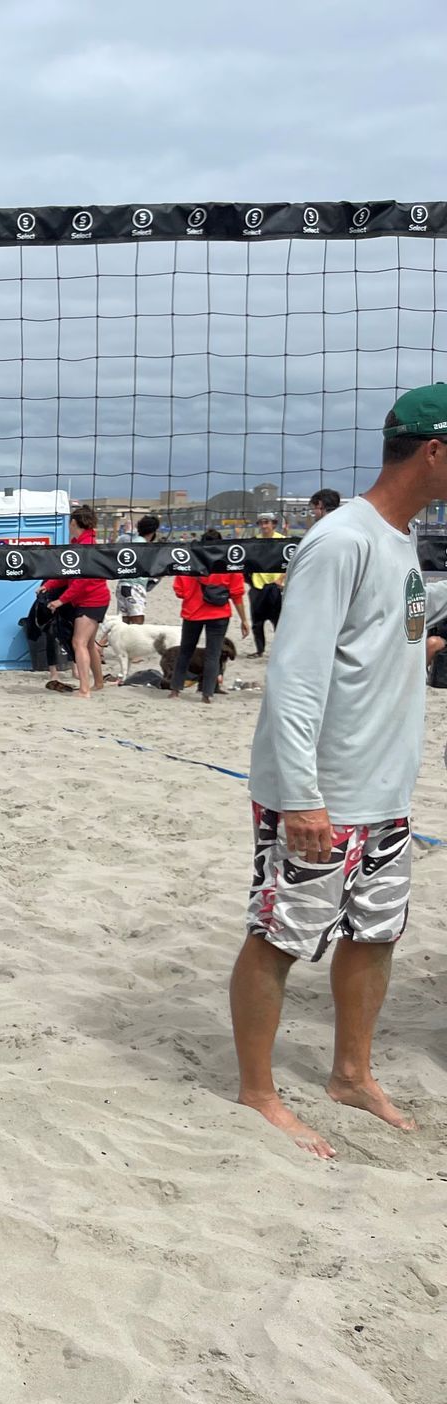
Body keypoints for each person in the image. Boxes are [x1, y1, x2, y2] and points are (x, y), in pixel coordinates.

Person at [231, 384, 447, 1159]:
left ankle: (351, 1074)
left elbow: (386, 644)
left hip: (384, 792)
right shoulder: (341, 539)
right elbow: (294, 681)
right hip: (321, 792)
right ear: (434, 451)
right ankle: (258, 1090)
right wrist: (301, 799)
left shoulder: (401, 539)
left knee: (376, 934)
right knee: (280, 938)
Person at [166, 529, 249, 703]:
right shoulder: (229, 564)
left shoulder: (190, 563)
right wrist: (244, 620)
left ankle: (175, 689)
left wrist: (194, 593)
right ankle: (207, 693)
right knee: (213, 654)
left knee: (185, 651)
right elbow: (237, 594)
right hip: (219, 613)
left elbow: (179, 591)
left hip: (193, 612)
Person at [41, 504, 109, 697]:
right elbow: (69, 574)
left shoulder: (86, 546)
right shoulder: (81, 543)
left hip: (91, 600)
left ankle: (84, 690)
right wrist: (49, 585)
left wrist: (60, 601)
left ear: (73, 522)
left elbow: (81, 582)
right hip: (94, 598)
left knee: (78, 642)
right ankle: (98, 683)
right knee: (88, 644)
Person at [245, 513, 288, 655]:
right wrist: (250, 581)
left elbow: (290, 563)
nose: (263, 526)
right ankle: (259, 650)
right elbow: (245, 563)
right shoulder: (253, 542)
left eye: (266, 522)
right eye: (261, 523)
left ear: (273, 524)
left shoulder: (282, 541)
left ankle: (281, 651)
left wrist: (281, 579)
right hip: (258, 587)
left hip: (275, 586)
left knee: (278, 622)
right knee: (257, 623)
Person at [115, 513, 162, 628]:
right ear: (153, 531)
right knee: (137, 623)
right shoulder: (145, 546)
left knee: (123, 623)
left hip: (122, 584)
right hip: (135, 586)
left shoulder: (132, 541)